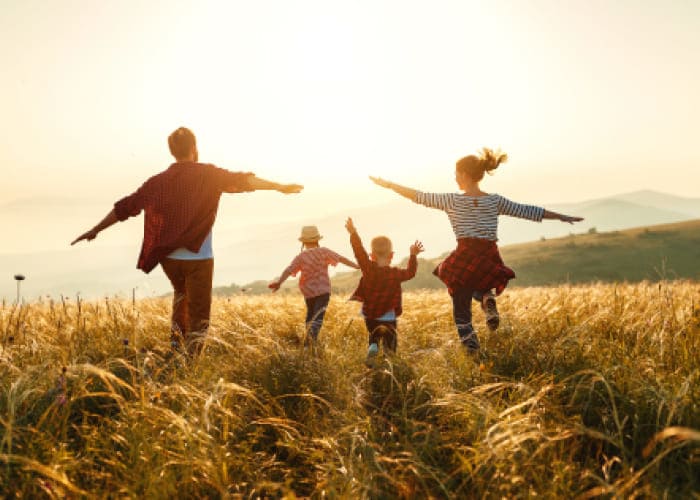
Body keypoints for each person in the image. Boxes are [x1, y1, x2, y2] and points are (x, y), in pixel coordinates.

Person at [71, 127, 303, 355]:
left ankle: (176, 346)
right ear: (194, 148)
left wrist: (95, 229)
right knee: (199, 313)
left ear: (173, 151)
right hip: (199, 258)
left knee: (181, 296)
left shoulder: (157, 182)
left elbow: (126, 207)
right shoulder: (208, 174)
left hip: (169, 259)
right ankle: (190, 362)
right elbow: (243, 181)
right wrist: (278, 187)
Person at [370, 148, 583, 352]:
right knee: (481, 285)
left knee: (460, 307)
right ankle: (486, 299)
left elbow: (418, 196)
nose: (454, 178)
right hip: (488, 254)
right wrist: (562, 217)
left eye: (456, 173)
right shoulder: (494, 201)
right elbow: (527, 211)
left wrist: (389, 185)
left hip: (465, 254)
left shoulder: (452, 200)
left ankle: (471, 347)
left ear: (464, 174)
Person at [344, 217, 424, 367]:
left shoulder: (367, 268)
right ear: (392, 255)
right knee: (390, 340)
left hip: (370, 313)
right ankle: (389, 361)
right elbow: (410, 273)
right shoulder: (395, 273)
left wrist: (353, 233)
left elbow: (359, 251)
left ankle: (373, 346)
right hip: (388, 314)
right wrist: (413, 255)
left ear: (371, 256)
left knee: (373, 333)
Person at [268, 225, 359, 344]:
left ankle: (308, 342)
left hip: (308, 293)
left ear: (303, 242)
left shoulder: (301, 257)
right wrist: (357, 266)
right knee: (318, 316)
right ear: (317, 240)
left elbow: (289, 270)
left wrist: (279, 282)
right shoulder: (324, 252)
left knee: (310, 315)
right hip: (323, 291)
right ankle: (310, 341)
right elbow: (341, 259)